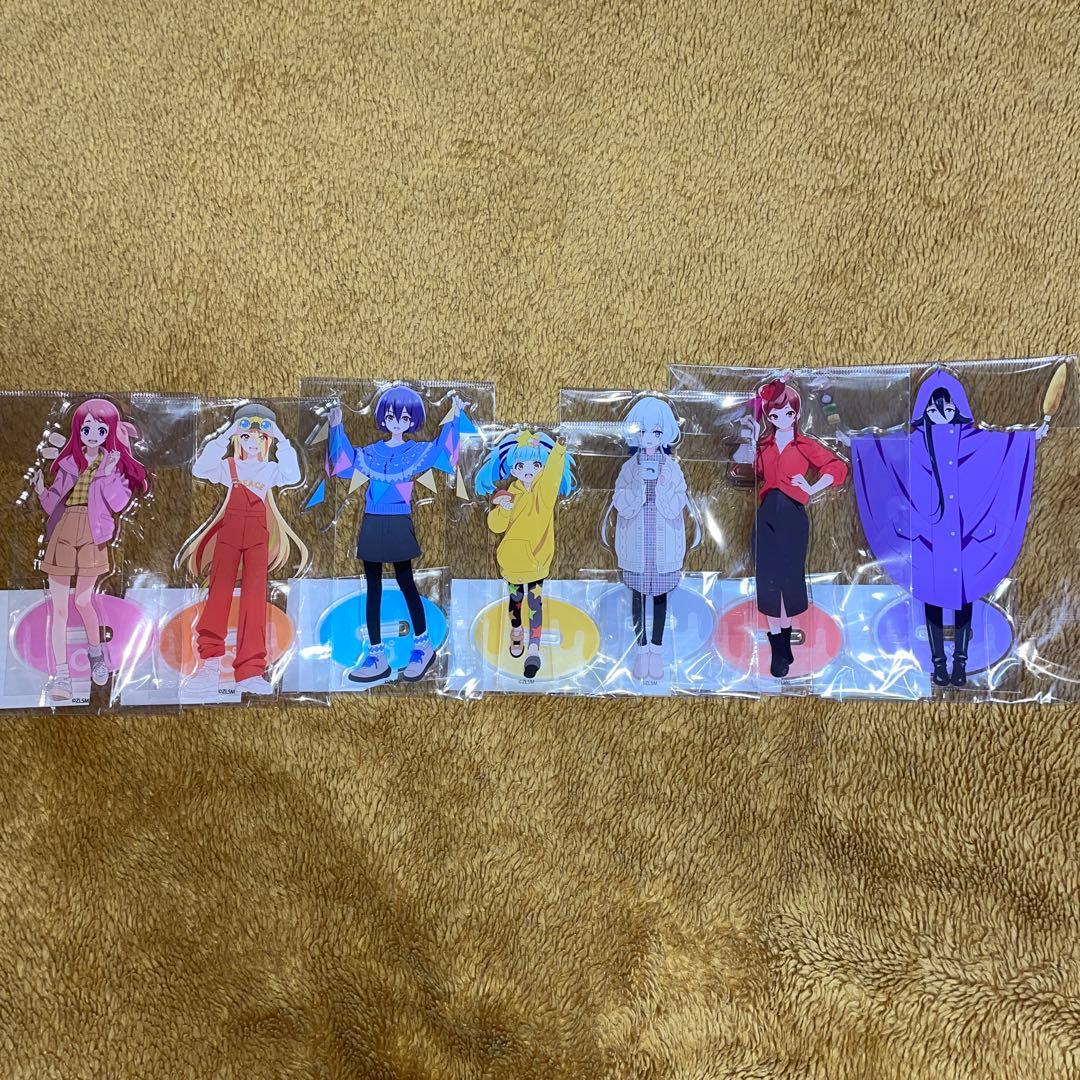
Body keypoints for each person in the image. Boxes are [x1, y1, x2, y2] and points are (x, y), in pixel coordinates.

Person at [841, 369, 1048, 687]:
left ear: (958, 407)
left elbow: (1003, 446)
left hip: (966, 538)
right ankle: (939, 664)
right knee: (932, 599)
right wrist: (859, 446)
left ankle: (960, 663)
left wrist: (1028, 438)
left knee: (965, 597)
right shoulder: (913, 443)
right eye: (935, 408)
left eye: (948, 407)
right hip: (927, 540)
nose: (942, 413)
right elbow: (883, 452)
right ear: (924, 409)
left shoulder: (973, 440)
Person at [325, 386, 467, 683]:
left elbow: (441, 452)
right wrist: (336, 426)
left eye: (404, 417)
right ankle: (376, 654)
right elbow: (345, 463)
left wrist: (455, 416)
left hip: (398, 520)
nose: (397, 422)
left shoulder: (415, 452)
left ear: (412, 421)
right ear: (383, 418)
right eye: (391, 416)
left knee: (406, 581)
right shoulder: (370, 453)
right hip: (372, 521)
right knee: (373, 588)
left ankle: (423, 645)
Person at [179, 404, 307, 698]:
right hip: (230, 531)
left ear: (267, 441)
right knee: (218, 594)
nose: (252, 442)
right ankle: (210, 663)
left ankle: (250, 670)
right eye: (246, 436)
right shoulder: (229, 466)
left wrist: (283, 439)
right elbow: (200, 469)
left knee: (255, 598)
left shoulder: (271, 470)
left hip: (258, 535)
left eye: (260, 437)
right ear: (239, 438)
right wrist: (226, 434)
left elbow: (292, 475)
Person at [35, 398, 149, 702]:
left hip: (93, 533)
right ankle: (62, 676)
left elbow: (119, 503)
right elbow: (54, 501)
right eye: (86, 429)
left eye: (101, 429)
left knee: (84, 601)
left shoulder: (114, 466)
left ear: (110, 432)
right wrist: (40, 491)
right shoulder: (70, 463)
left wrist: (108, 473)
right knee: (59, 609)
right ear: (78, 431)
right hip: (63, 530)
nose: (93, 435)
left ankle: (96, 655)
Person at [744, 380, 847, 678]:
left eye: (787, 413)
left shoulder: (804, 445)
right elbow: (746, 467)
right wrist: (750, 435)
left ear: (796, 414)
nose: (781, 419)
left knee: (788, 578)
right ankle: (779, 648)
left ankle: (783, 644)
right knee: (766, 577)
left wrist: (811, 487)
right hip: (765, 513)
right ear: (768, 416)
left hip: (792, 514)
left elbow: (837, 468)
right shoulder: (762, 446)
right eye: (774, 415)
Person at [475, 430, 577, 679]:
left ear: (542, 466)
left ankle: (534, 648)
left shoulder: (545, 493)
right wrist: (503, 508)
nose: (528, 470)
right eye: (521, 465)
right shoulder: (510, 494)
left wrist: (559, 449)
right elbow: (495, 526)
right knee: (516, 600)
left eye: (536, 464)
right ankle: (516, 632)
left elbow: (553, 474)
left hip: (537, 561)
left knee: (534, 602)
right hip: (511, 562)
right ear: (513, 468)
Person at [609, 396, 691, 681]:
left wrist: (662, 488)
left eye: (656, 432)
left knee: (659, 598)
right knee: (637, 596)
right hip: (636, 546)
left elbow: (678, 503)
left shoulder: (672, 468)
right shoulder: (629, 468)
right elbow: (620, 501)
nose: (648, 438)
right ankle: (640, 649)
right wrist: (639, 489)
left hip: (664, 548)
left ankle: (656, 649)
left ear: (665, 434)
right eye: (642, 431)